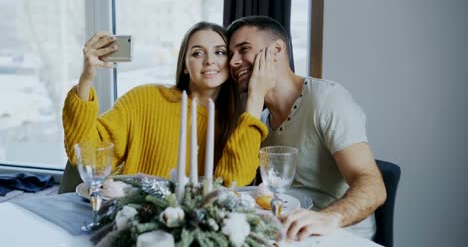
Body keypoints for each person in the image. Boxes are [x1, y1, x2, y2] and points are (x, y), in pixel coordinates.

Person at [227, 16, 387, 240]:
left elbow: (373, 186)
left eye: (244, 49)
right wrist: (255, 97)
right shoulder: (260, 120)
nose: (233, 62)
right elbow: (239, 181)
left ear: (277, 49)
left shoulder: (327, 99)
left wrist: (328, 218)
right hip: (287, 232)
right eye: (230, 54)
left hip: (338, 234)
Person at [62, 22, 275, 187]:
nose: (210, 60)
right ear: (184, 66)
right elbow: (87, 156)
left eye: (219, 52)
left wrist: (255, 99)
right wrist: (87, 78)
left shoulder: (239, 123)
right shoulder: (145, 99)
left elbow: (232, 185)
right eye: (197, 53)